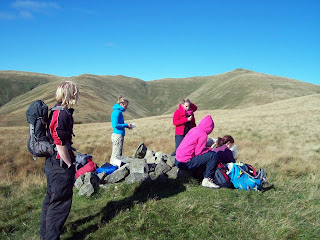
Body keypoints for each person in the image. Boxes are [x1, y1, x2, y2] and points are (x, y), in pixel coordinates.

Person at [40, 81, 79, 240]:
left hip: (52, 163)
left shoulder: (56, 111)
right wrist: (69, 164)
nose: (77, 95)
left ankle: (45, 235)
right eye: (76, 92)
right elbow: (59, 141)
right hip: (60, 165)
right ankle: (51, 237)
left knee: (51, 200)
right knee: (60, 204)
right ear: (70, 94)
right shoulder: (62, 113)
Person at [175, 115, 220, 189]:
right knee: (213, 155)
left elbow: (193, 144)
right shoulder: (203, 135)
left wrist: (205, 145)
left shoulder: (194, 129)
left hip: (178, 160)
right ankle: (207, 179)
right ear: (210, 128)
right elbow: (198, 153)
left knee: (206, 156)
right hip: (186, 162)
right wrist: (210, 148)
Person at [110, 96, 132, 166]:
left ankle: (112, 168)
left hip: (117, 134)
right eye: (126, 106)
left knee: (115, 154)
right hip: (118, 135)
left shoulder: (117, 112)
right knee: (117, 155)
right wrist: (125, 125)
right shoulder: (117, 112)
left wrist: (126, 125)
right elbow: (115, 125)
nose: (126, 108)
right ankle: (114, 170)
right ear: (122, 104)